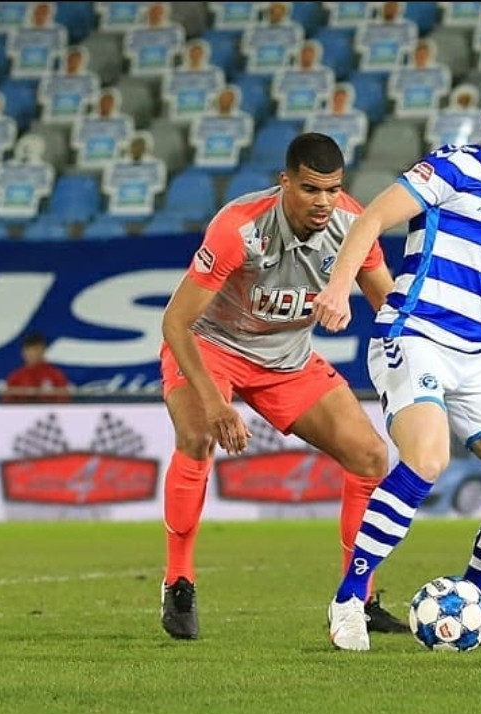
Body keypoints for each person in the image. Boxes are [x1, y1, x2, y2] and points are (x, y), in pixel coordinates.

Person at [312, 71, 481, 651]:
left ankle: (474, 602)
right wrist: (339, 289)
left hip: (477, 354)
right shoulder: (452, 167)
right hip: (415, 335)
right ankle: (349, 600)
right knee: (428, 459)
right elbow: (370, 219)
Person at [158, 132, 408, 641]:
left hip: (287, 361)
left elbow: (388, 305)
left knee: (369, 456)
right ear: (285, 183)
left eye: (332, 190)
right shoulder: (239, 228)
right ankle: (178, 581)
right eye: (311, 190)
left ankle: (357, 598)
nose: (323, 203)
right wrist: (214, 402)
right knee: (198, 436)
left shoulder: (351, 225)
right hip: (211, 348)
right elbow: (175, 323)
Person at [2, 331, 71, 403]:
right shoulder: (15, 377)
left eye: (35, 349)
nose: (32, 353)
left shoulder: (55, 375)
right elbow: (7, 402)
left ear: (43, 350)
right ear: (23, 352)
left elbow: (64, 401)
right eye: (28, 350)